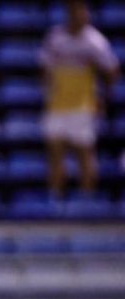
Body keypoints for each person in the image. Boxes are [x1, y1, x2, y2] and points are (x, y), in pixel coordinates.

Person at [40, 0, 120, 197]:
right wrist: (48, 89)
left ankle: (87, 200)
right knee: (55, 154)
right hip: (58, 105)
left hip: (83, 106)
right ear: (69, 14)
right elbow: (44, 67)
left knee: (84, 154)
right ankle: (57, 200)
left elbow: (111, 70)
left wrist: (103, 96)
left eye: (82, 12)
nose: (80, 16)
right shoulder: (55, 38)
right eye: (75, 12)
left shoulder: (95, 42)